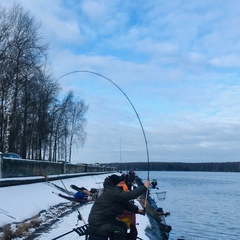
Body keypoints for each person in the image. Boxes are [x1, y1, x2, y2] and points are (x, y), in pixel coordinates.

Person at [88, 174, 150, 240]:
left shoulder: (113, 191)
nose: (122, 185)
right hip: (97, 225)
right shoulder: (112, 192)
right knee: (119, 232)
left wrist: (137, 210)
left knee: (123, 226)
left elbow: (125, 203)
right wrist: (144, 187)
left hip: (106, 221)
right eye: (120, 183)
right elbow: (129, 195)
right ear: (115, 184)